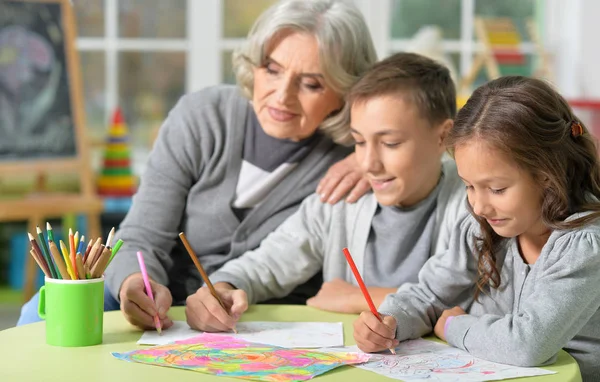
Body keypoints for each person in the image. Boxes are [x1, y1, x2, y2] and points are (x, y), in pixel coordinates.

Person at [16, 0, 377, 327]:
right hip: (161, 300)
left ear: (346, 91)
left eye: (311, 84)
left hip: (257, 313)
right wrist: (133, 285)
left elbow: (421, 128)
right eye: (272, 69)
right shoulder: (203, 116)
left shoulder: (356, 156)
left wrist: (373, 158)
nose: (281, 96)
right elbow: (141, 235)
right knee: (39, 315)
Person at [185, 52, 468, 332]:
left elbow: (486, 306)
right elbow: (267, 264)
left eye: (390, 143)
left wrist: (357, 297)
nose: (368, 164)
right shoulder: (343, 199)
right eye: (358, 142)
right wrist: (222, 288)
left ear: (442, 137)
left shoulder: (474, 203)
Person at [352, 76, 600, 381]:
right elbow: (429, 294)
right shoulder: (482, 226)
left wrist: (454, 327)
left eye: (496, 189)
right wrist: (390, 322)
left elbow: (527, 345)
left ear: (547, 175)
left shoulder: (584, 245)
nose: (480, 206)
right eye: (469, 186)